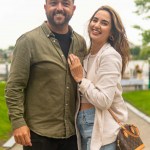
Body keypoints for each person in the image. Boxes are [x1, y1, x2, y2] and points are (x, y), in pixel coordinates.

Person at [5, 0, 87, 150]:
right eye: (54, 3)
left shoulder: (80, 42)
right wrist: (18, 122)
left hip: (73, 134)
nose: (59, 8)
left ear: (73, 9)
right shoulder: (28, 41)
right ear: (45, 7)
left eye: (65, 4)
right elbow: (14, 87)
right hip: (38, 136)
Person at [68, 5, 130, 150]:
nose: (96, 25)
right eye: (95, 20)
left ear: (112, 32)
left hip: (102, 129)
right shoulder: (88, 56)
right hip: (84, 125)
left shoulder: (110, 55)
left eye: (104, 23)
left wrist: (80, 79)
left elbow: (104, 101)